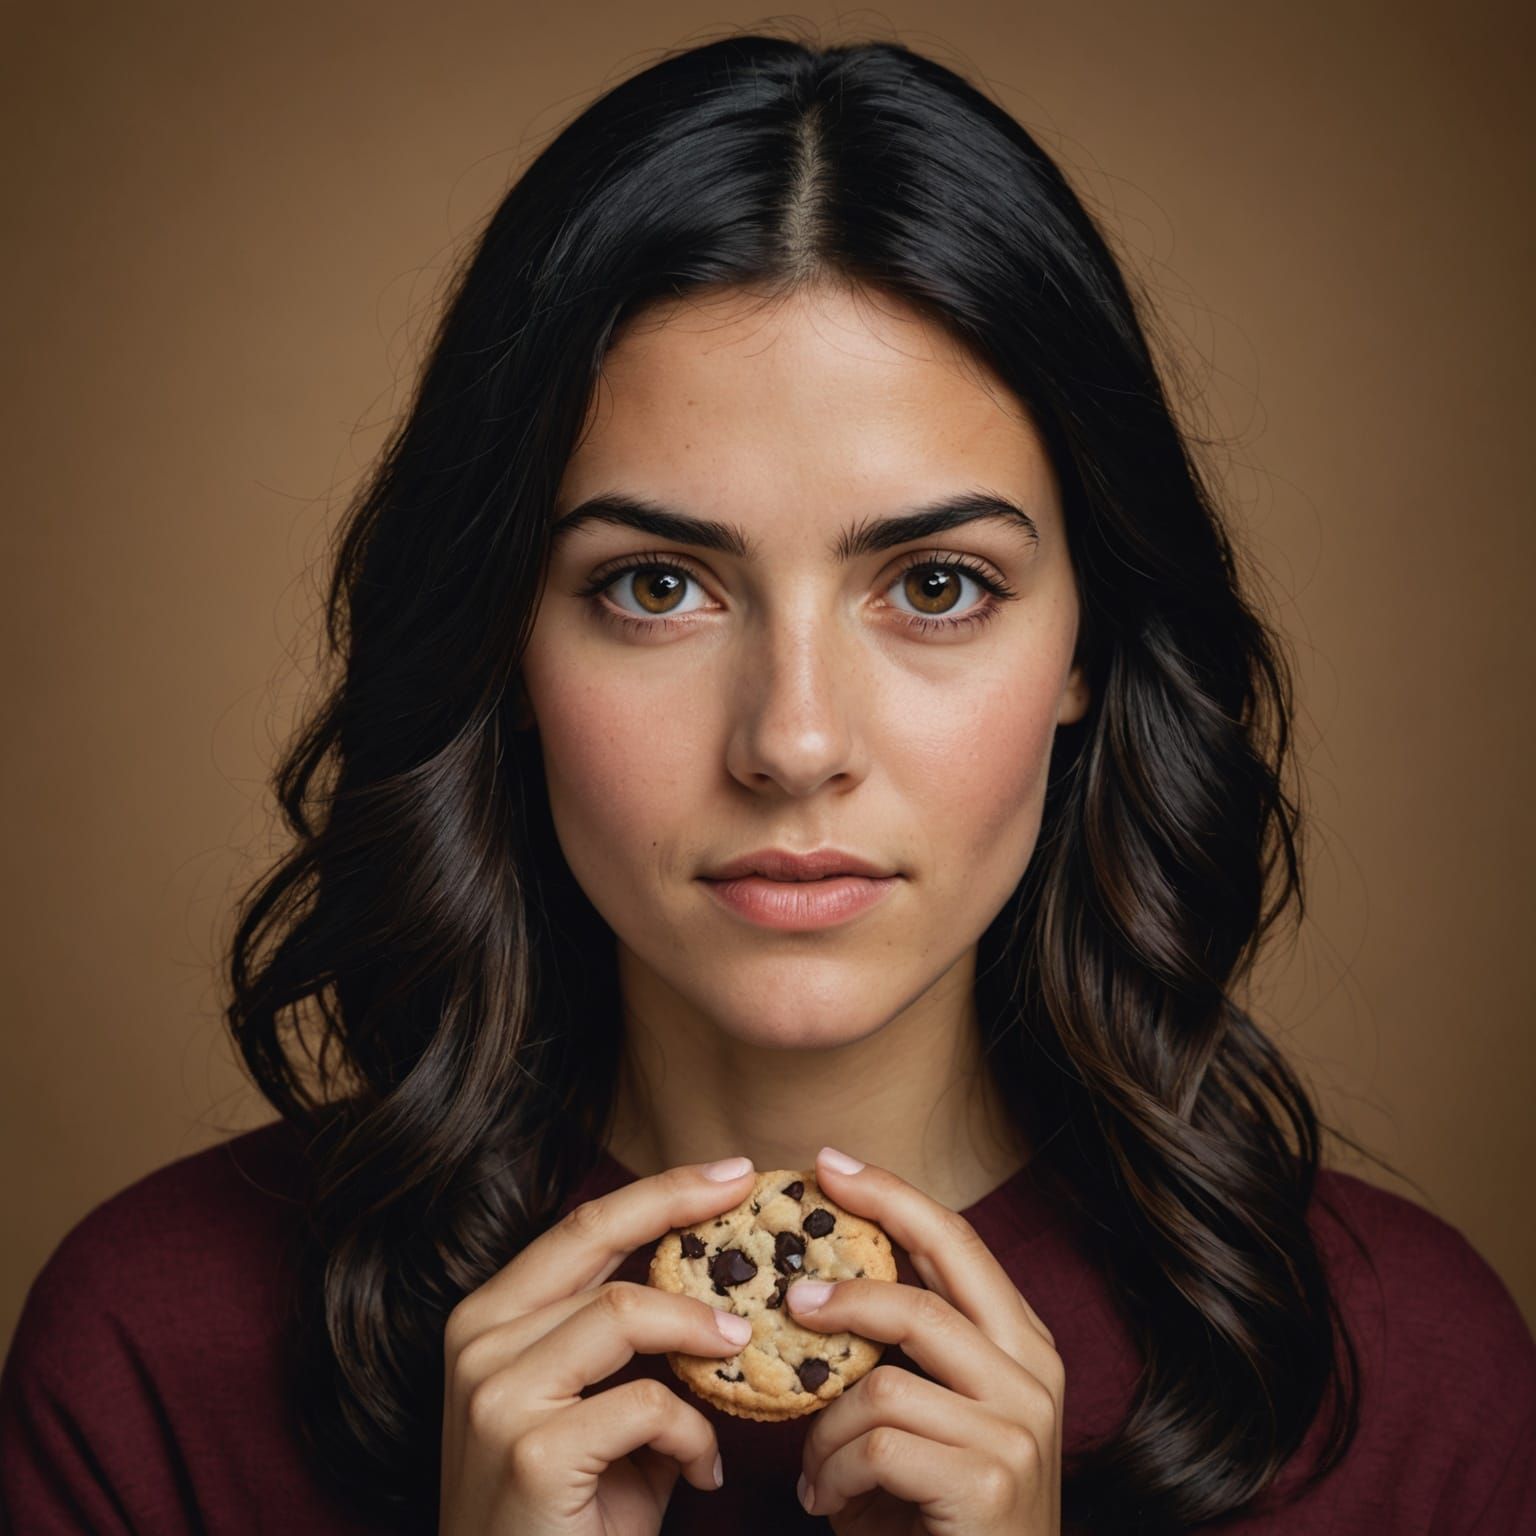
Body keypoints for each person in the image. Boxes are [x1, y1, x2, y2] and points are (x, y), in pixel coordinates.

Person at [3, 29, 1532, 1536]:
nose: (794, 743)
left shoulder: (1407, 1389)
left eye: (936, 584)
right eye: (658, 587)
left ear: (1091, 647)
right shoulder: (155, 1359)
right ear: (502, 647)